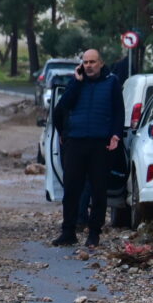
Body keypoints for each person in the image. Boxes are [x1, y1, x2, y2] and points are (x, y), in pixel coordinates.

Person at [48, 47, 129, 248]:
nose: (89, 66)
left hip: (100, 144)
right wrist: (76, 82)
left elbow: (119, 111)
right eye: (85, 62)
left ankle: (94, 233)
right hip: (75, 142)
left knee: (98, 191)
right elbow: (64, 106)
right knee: (72, 190)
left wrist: (116, 136)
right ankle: (68, 232)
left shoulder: (111, 83)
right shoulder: (77, 83)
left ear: (101, 63)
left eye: (92, 62)